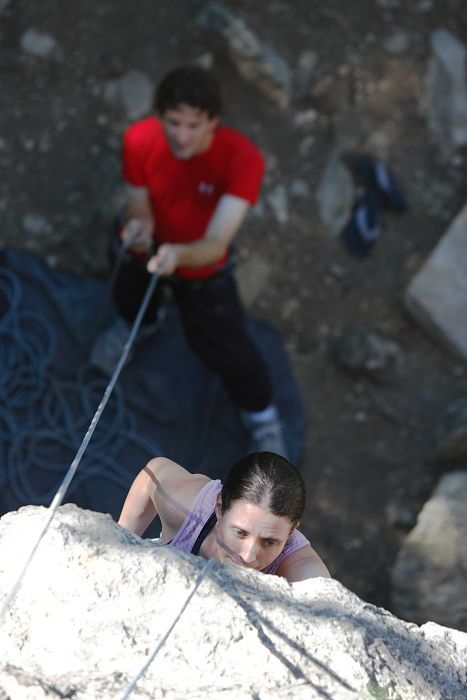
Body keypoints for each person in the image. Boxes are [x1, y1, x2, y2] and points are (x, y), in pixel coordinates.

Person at [91, 64, 288, 457]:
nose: (181, 136)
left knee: (227, 344)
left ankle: (262, 416)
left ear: (214, 121)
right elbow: (138, 205)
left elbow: (216, 242)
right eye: (174, 122)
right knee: (128, 291)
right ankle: (136, 325)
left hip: (200, 266)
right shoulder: (139, 140)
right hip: (147, 250)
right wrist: (140, 229)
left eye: (193, 125)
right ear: (160, 115)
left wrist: (178, 255)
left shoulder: (242, 159)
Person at [118, 451, 331, 583]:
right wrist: (120, 541)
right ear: (220, 507)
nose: (248, 556)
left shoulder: (300, 567)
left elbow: (325, 603)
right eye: (240, 532)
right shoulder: (185, 507)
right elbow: (152, 472)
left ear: (291, 532)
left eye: (269, 542)